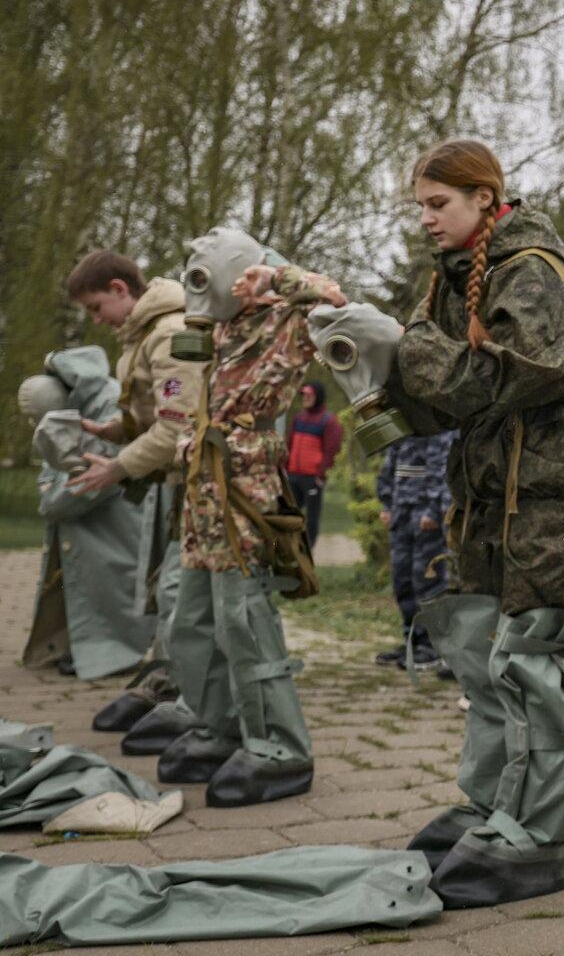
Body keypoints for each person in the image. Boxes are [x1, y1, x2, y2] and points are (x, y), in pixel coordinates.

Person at [382, 138, 564, 908]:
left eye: (437, 203)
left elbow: (525, 371)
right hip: (494, 486)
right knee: (486, 651)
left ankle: (540, 834)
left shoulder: (529, 271)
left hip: (548, 485)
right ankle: (493, 804)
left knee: (529, 657)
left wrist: (415, 351)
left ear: (485, 199)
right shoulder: (454, 281)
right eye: (419, 205)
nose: (424, 220)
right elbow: (446, 397)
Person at [154, 227, 343, 808]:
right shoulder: (219, 329)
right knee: (192, 617)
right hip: (205, 486)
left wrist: (276, 277)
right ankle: (221, 727)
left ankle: (281, 747)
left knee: (244, 618)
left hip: (245, 489)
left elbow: (336, 298)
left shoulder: (286, 319)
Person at [63, 250, 208, 742]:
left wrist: (118, 467)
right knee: (166, 591)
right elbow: (154, 410)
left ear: (121, 290)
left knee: (179, 593)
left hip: (193, 481)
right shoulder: (143, 335)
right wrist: (115, 428)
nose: (96, 319)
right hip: (168, 482)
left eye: (96, 306)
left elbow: (178, 425)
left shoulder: (168, 333)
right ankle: (172, 681)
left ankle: (195, 698)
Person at [17, 350, 149, 682]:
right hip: (92, 521)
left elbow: (92, 475)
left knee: (113, 585)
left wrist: (52, 498)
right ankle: (85, 644)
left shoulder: (109, 407)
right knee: (85, 585)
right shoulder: (79, 410)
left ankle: (112, 651)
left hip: (115, 518)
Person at [374, 431, 455, 670]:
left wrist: (433, 509)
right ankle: (411, 639)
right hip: (402, 511)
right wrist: (387, 502)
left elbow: (441, 467)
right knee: (403, 579)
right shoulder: (401, 424)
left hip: (424, 514)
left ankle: (432, 645)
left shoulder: (432, 424)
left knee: (427, 580)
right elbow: (391, 463)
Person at [284, 381, 343, 548]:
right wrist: (285, 468)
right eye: (304, 395)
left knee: (311, 518)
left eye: (310, 395)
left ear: (318, 397)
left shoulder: (328, 421)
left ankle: (308, 550)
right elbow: (290, 444)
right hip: (293, 475)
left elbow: (332, 451)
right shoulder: (299, 418)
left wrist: (320, 476)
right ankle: (290, 548)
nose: (306, 398)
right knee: (290, 514)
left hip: (312, 478)